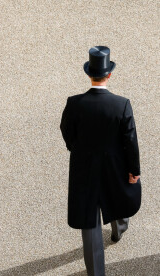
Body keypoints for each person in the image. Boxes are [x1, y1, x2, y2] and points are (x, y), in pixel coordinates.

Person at [60, 46, 141, 275]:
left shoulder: (74, 103)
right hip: (114, 166)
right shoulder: (121, 104)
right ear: (110, 74)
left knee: (90, 219)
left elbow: (67, 131)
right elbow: (130, 141)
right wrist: (133, 170)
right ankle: (119, 228)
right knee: (116, 196)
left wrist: (76, 149)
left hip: (84, 167)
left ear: (89, 74)